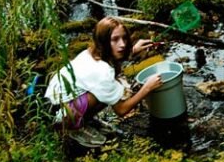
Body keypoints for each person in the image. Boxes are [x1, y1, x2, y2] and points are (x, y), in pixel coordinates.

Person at [45, 16, 163, 146]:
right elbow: (121, 110)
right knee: (114, 89)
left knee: (110, 89)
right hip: (57, 109)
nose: (122, 44)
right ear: (103, 42)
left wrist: (133, 50)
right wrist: (147, 88)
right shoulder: (102, 71)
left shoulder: (93, 51)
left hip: (60, 94)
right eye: (115, 39)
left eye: (124, 38)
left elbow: (111, 58)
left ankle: (85, 120)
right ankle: (72, 128)